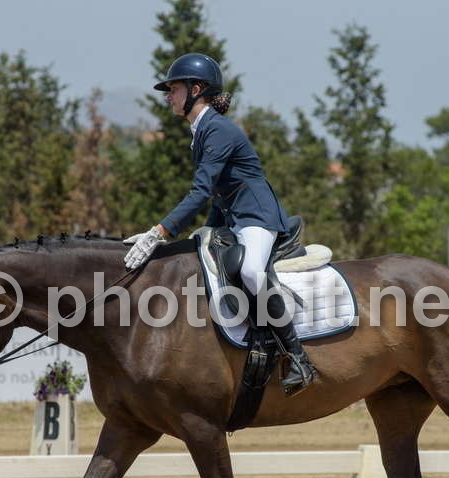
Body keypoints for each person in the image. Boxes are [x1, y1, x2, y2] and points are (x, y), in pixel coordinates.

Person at [123, 53, 316, 397]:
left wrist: (160, 232)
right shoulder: (201, 130)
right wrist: (204, 231)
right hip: (233, 218)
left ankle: (299, 358)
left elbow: (201, 191)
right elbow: (219, 192)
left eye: (173, 89)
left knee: (252, 272)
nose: (168, 96)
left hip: (257, 216)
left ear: (196, 90)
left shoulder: (218, 130)